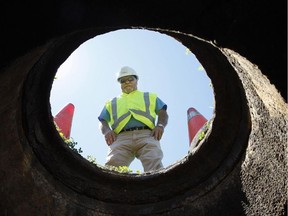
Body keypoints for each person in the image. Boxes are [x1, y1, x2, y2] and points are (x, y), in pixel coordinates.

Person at [98, 66, 168, 172]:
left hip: (147, 135)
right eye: (123, 81)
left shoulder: (149, 96)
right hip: (120, 138)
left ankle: (157, 188)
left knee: (155, 166)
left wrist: (160, 125)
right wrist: (107, 131)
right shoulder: (111, 102)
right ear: (120, 84)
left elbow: (162, 112)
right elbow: (103, 120)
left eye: (130, 79)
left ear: (137, 81)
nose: (127, 82)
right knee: (112, 169)